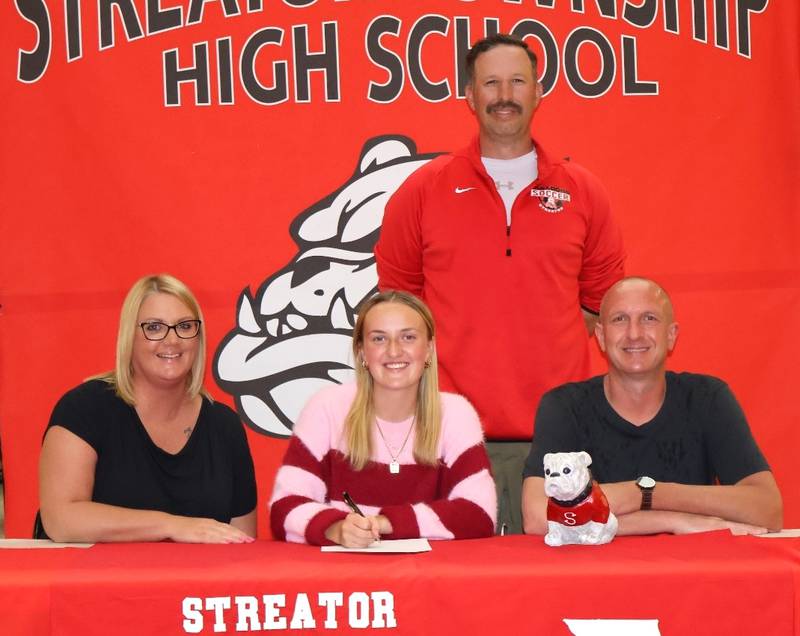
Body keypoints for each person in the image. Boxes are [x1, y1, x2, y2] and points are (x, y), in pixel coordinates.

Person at [374, 33, 625, 534]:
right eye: (491, 83)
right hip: (449, 437)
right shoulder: (423, 191)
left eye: (517, 81)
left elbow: (602, 307)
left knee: (559, 594)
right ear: (469, 95)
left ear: (538, 93)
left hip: (562, 440)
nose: (504, 95)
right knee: (455, 597)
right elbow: (397, 310)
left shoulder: (583, 193)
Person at [521, 277, 783, 536]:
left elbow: (767, 509)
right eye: (619, 319)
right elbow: (537, 517)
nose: (634, 333)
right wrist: (671, 520)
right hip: (595, 575)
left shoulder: (708, 398)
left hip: (692, 573)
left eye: (649, 318)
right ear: (601, 336)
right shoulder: (564, 406)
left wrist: (649, 493)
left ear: (671, 336)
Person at [38, 274, 257, 543]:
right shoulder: (83, 408)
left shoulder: (225, 426)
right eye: (154, 327)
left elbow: (242, 540)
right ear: (130, 336)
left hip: (194, 584)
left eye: (185, 326)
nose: (172, 340)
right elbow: (61, 520)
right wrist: (172, 526)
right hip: (97, 582)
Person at [269, 290, 496, 547]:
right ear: (362, 352)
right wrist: (337, 529)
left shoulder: (456, 414)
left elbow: (479, 513)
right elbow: (284, 508)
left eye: (408, 337)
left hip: (430, 581)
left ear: (429, 349)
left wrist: (384, 524)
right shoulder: (326, 407)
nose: (394, 351)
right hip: (345, 580)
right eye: (379, 339)